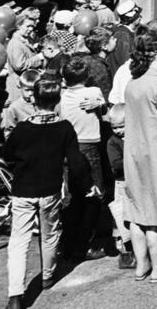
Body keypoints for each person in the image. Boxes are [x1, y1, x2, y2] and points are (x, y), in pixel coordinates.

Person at [4, 77, 88, 309]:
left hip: (22, 189)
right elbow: (75, 161)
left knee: (19, 241)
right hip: (50, 189)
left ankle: (15, 294)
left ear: (34, 99)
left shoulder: (22, 128)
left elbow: (8, 153)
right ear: (57, 100)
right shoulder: (64, 128)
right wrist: (85, 183)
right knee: (49, 233)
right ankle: (47, 275)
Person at [123, 31, 157, 282]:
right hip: (156, 152)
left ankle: (140, 266)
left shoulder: (132, 83)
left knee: (136, 212)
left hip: (133, 151)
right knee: (155, 214)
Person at [59, 57, 107, 261]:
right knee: (93, 195)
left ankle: (66, 245)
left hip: (67, 148)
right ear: (87, 77)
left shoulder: (62, 96)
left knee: (71, 198)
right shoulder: (93, 93)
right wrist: (100, 104)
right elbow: (104, 111)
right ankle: (84, 244)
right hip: (89, 147)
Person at [105, 104, 135, 270]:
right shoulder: (113, 142)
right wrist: (133, 159)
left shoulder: (134, 137)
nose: (118, 130)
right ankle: (126, 252)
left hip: (135, 180)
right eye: (114, 127)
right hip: (122, 182)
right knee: (121, 217)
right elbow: (116, 165)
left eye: (121, 126)